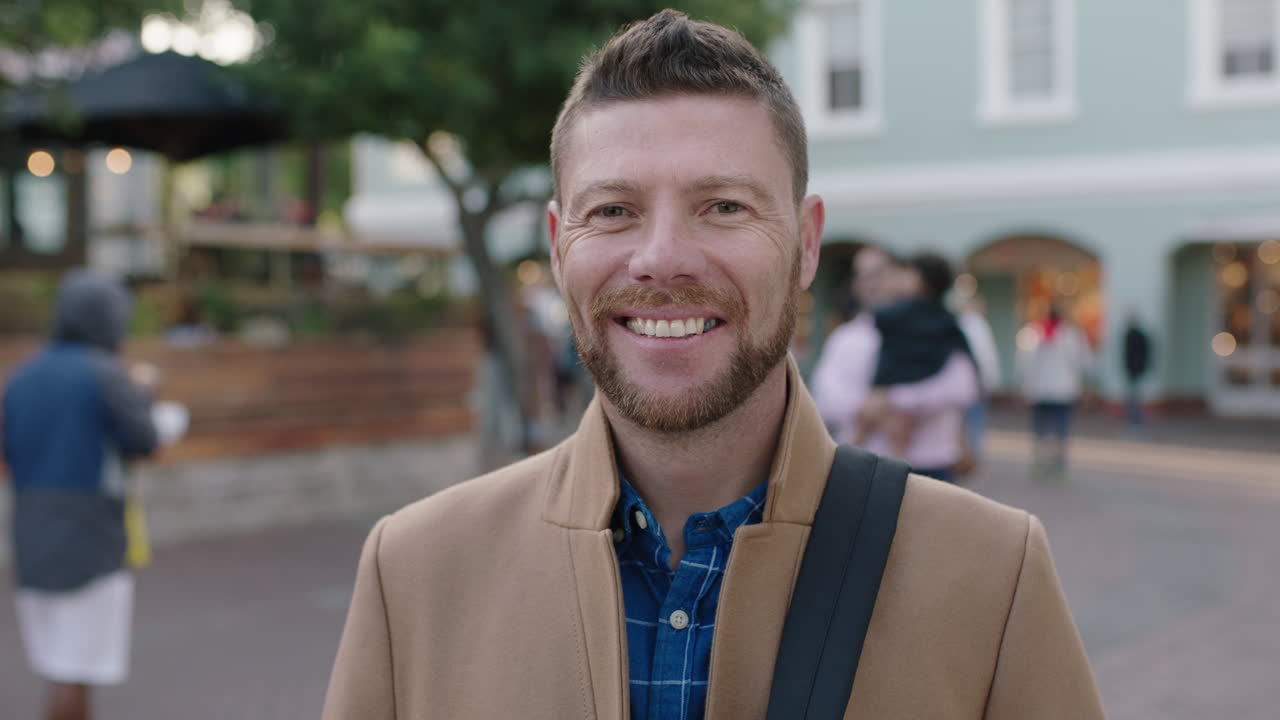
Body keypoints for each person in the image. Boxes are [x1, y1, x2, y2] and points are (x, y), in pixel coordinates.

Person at [322, 12, 1103, 719]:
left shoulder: (993, 576)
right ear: (560, 248)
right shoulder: (415, 574)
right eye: (613, 210)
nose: (662, 258)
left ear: (805, 243)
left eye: (723, 206)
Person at [3, 269, 159, 720]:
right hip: (89, 539)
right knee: (76, 670)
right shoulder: (105, 373)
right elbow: (143, 439)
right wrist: (146, 393)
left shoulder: (22, 376)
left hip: (31, 532)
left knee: (57, 664)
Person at [812, 249, 980, 484]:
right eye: (861, 275)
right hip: (863, 465)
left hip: (930, 464)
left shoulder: (941, 326)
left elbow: (963, 386)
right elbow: (826, 396)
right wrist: (869, 409)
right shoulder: (847, 336)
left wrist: (893, 400)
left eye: (878, 274)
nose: (870, 283)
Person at [1018, 305, 1093, 480]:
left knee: (1040, 428)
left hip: (1039, 390)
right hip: (1063, 390)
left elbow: (1024, 363)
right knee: (1060, 428)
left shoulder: (1033, 333)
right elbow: (1083, 361)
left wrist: (1025, 386)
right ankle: (1058, 464)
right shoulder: (1070, 335)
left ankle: (1039, 461)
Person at [956, 294, 1003, 463]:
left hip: (963, 383)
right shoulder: (978, 327)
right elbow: (986, 356)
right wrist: (991, 380)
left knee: (962, 421)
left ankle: (965, 454)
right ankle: (972, 455)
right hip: (976, 382)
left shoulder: (960, 325)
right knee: (975, 420)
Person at [1122, 310, 1152, 428]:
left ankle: (1135, 419)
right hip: (1133, 369)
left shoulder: (1135, 335)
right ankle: (1133, 418)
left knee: (1134, 395)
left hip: (1135, 369)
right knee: (1133, 395)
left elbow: (1143, 352)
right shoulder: (1130, 334)